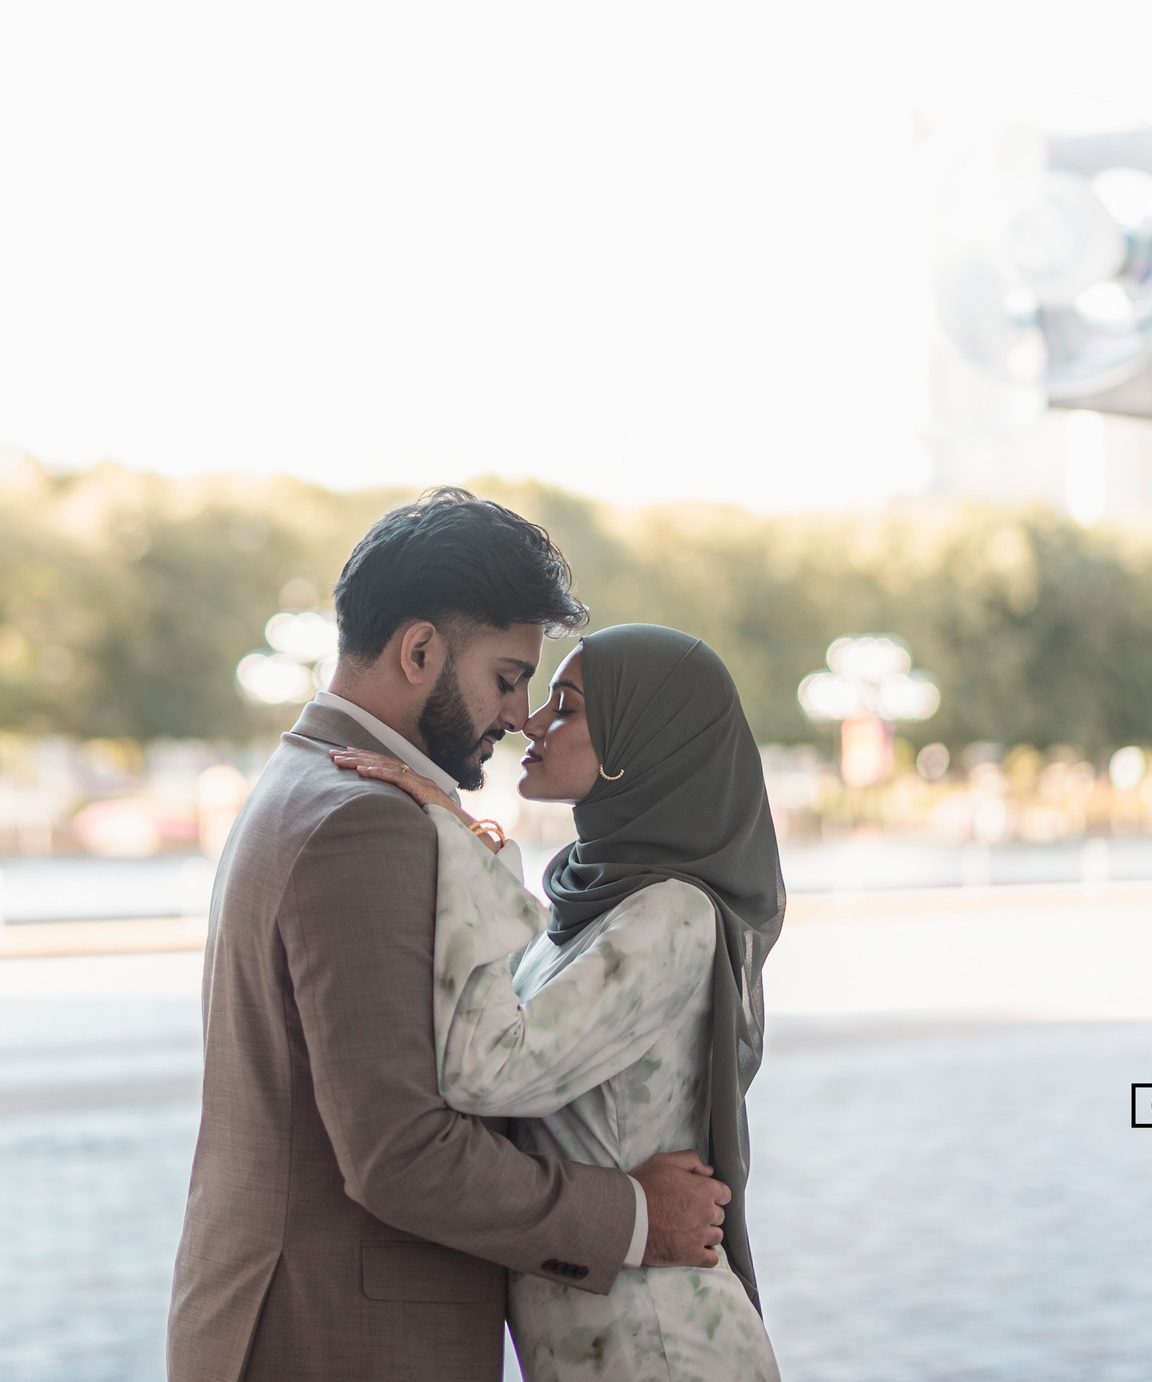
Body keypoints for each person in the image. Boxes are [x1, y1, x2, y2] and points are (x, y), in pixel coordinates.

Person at [168, 491, 733, 1382]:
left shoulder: (308, 780)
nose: (517, 715)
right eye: (508, 677)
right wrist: (634, 1216)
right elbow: (402, 1152)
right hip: (337, 1342)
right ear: (420, 649)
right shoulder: (365, 820)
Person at [333, 622, 786, 1382]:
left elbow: (489, 1068)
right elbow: (491, 1010)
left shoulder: (672, 911)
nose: (530, 722)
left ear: (645, 744)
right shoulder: (597, 907)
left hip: (663, 1346)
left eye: (567, 707)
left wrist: (451, 836)